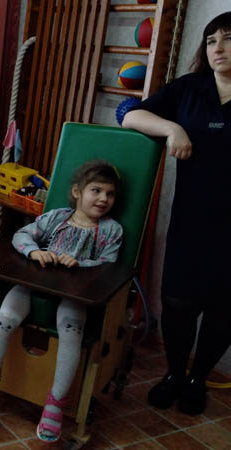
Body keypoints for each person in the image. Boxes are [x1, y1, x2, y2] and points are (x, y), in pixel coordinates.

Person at [122, 11, 231, 416]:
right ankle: (174, 374)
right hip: (191, 221)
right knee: (178, 303)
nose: (218, 48)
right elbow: (130, 114)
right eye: (211, 40)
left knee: (223, 312)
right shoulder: (190, 89)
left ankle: (198, 379)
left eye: (228, 39)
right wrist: (173, 129)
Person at [0, 161, 123, 443]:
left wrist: (81, 263)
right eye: (96, 190)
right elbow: (21, 235)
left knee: (71, 329)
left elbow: (108, 265)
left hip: (75, 295)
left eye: (110, 194)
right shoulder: (56, 218)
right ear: (77, 192)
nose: (103, 199)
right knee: (4, 318)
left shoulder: (112, 230)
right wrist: (34, 252)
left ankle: (56, 403)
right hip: (34, 286)